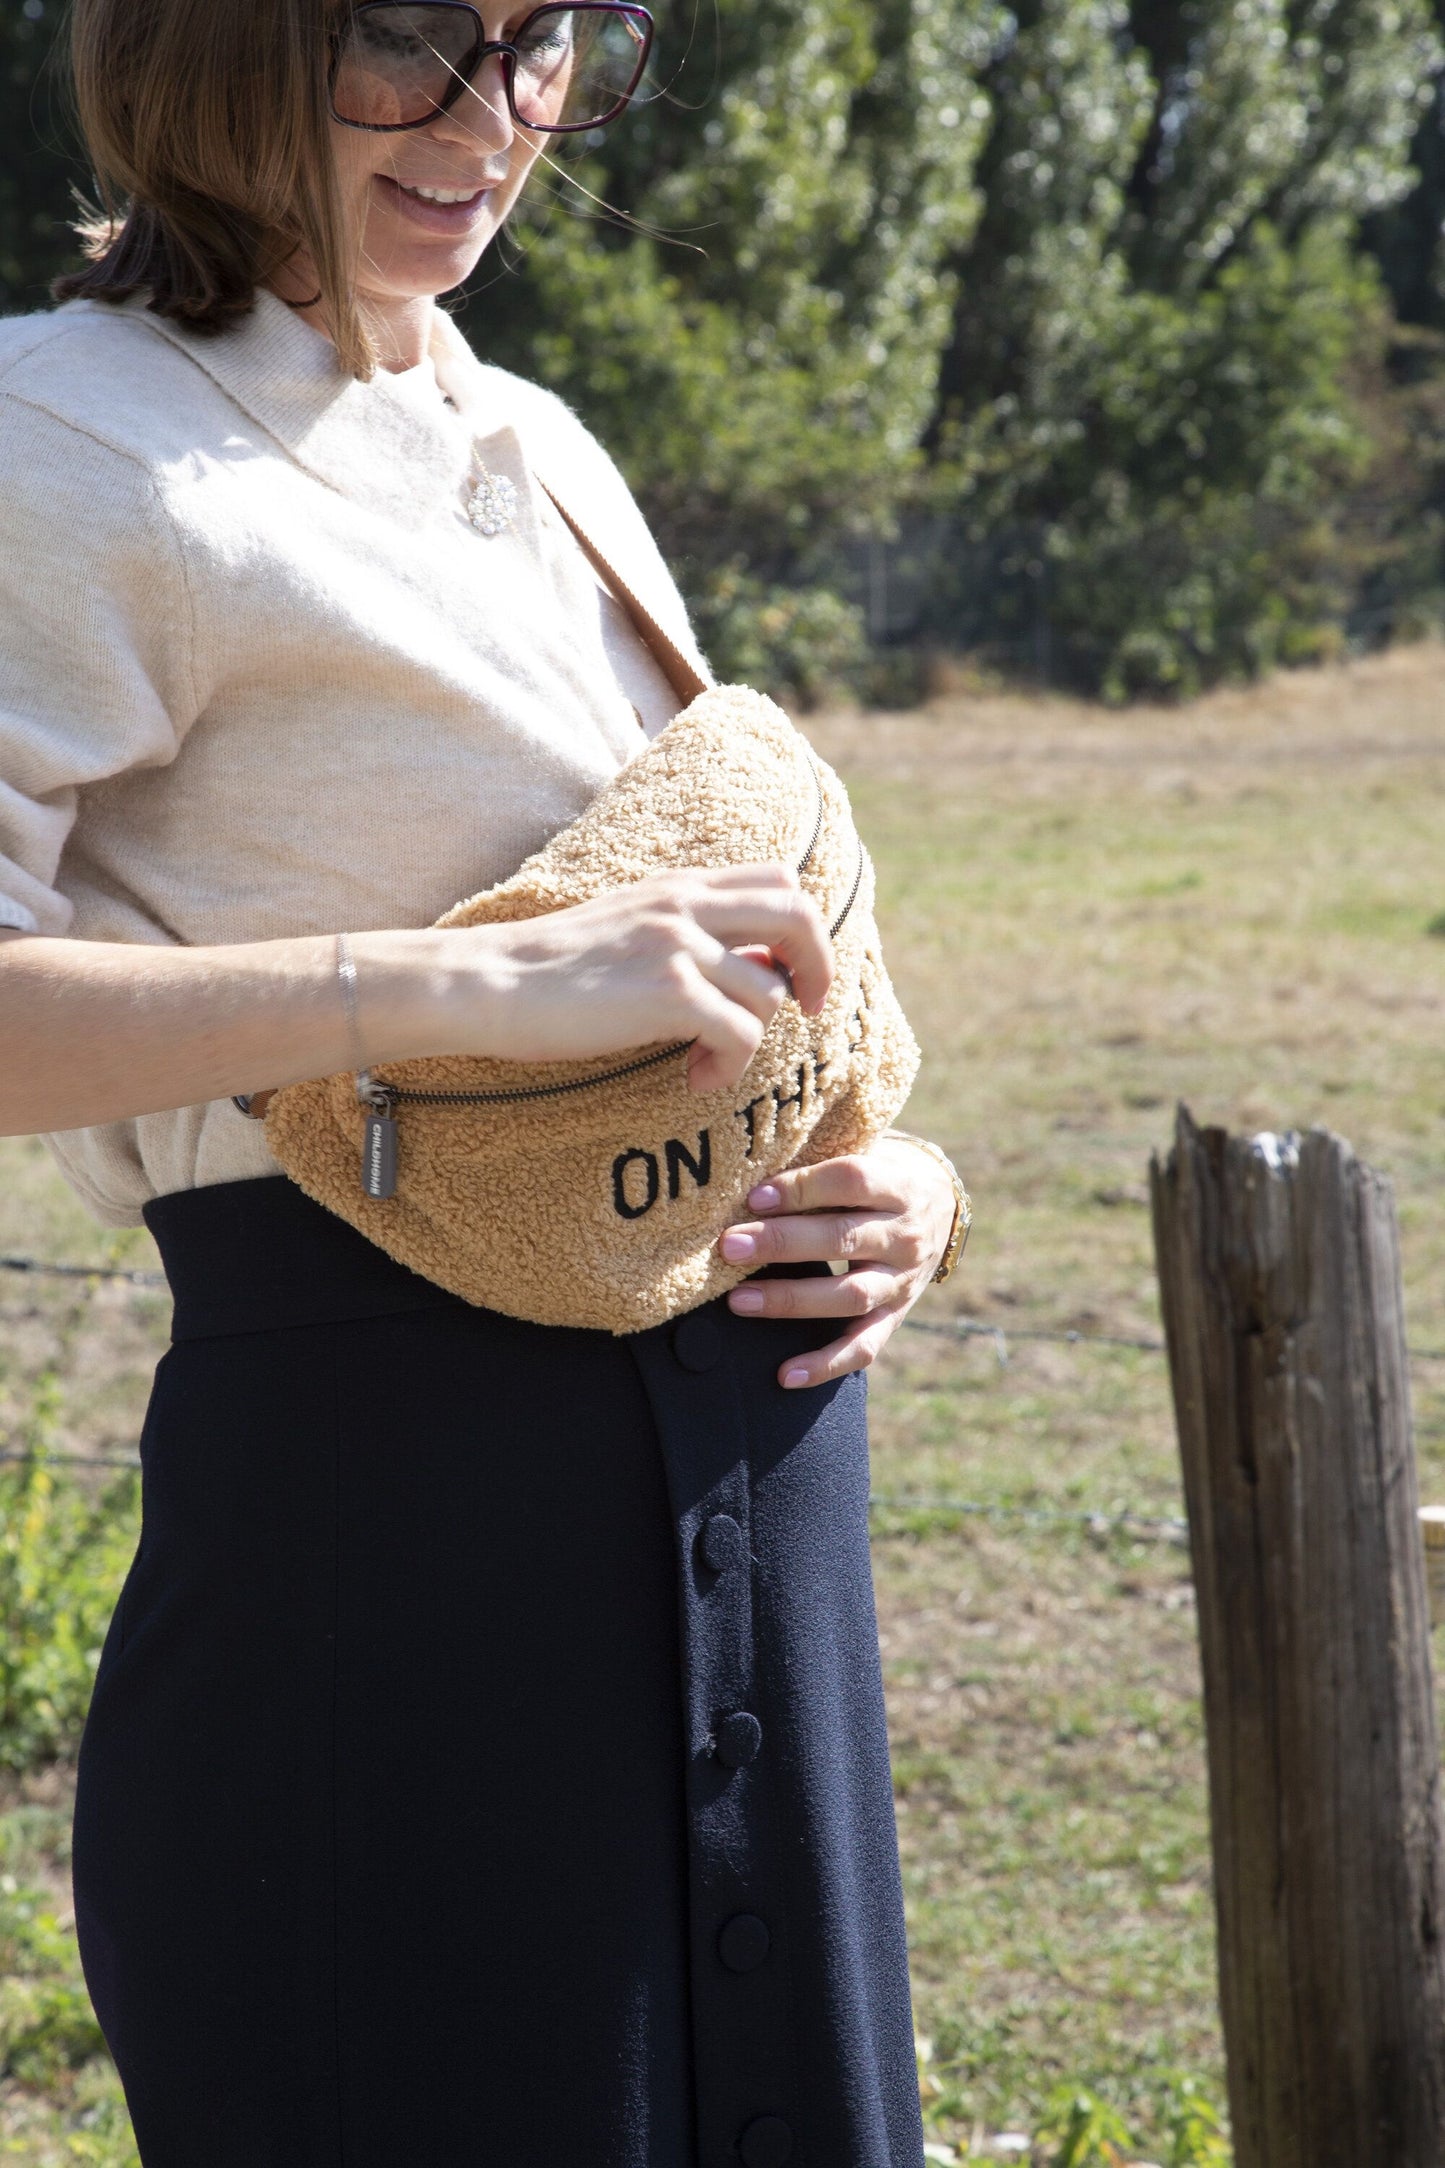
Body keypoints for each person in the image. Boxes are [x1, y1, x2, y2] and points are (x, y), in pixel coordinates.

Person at [0, 3, 963, 2161]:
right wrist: (463, 984)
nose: (497, 122)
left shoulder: (540, 439)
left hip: (756, 1556)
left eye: (552, 45)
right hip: (402, 1553)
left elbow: (711, 956)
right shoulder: (57, 438)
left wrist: (891, 1176)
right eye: (421, 41)